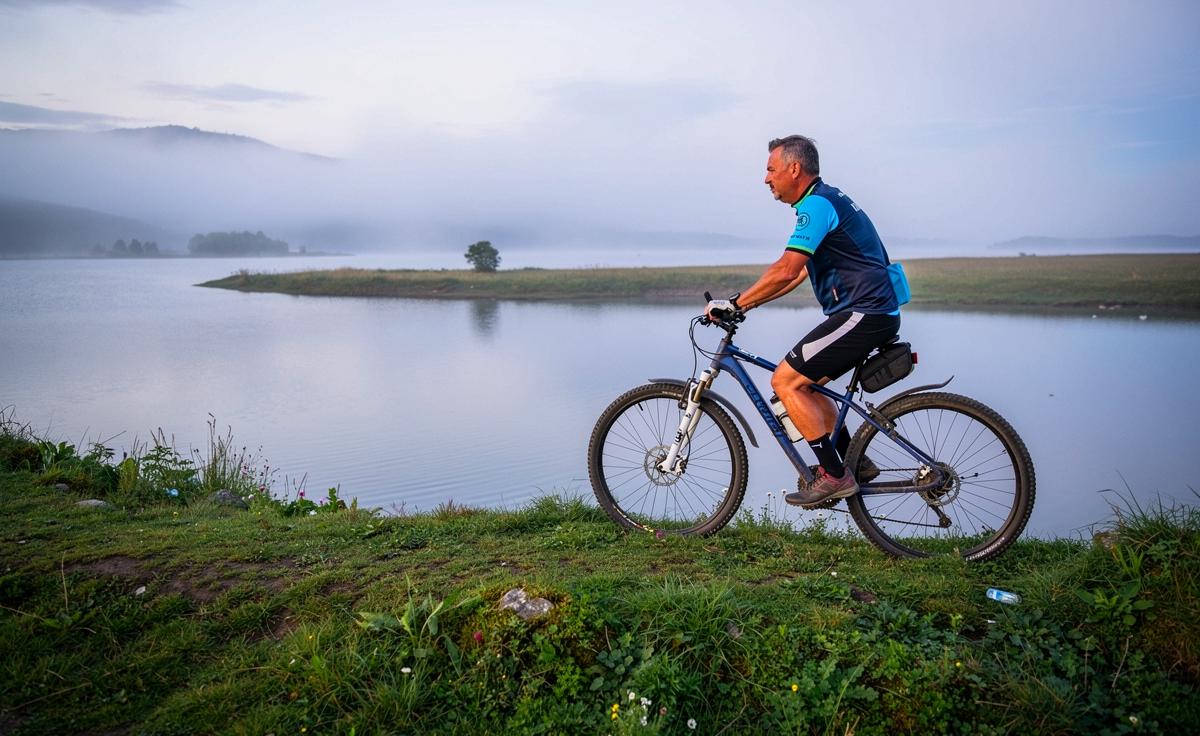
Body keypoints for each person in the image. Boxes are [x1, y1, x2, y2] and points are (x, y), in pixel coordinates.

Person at [705, 135, 901, 507]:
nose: (766, 179)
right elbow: (795, 276)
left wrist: (734, 303)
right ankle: (856, 464)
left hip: (864, 312)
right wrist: (745, 306)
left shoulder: (816, 206)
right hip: (872, 312)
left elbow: (785, 269)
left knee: (785, 380)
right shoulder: (825, 201)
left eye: (770, 169)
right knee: (804, 386)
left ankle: (833, 476)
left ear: (794, 169)